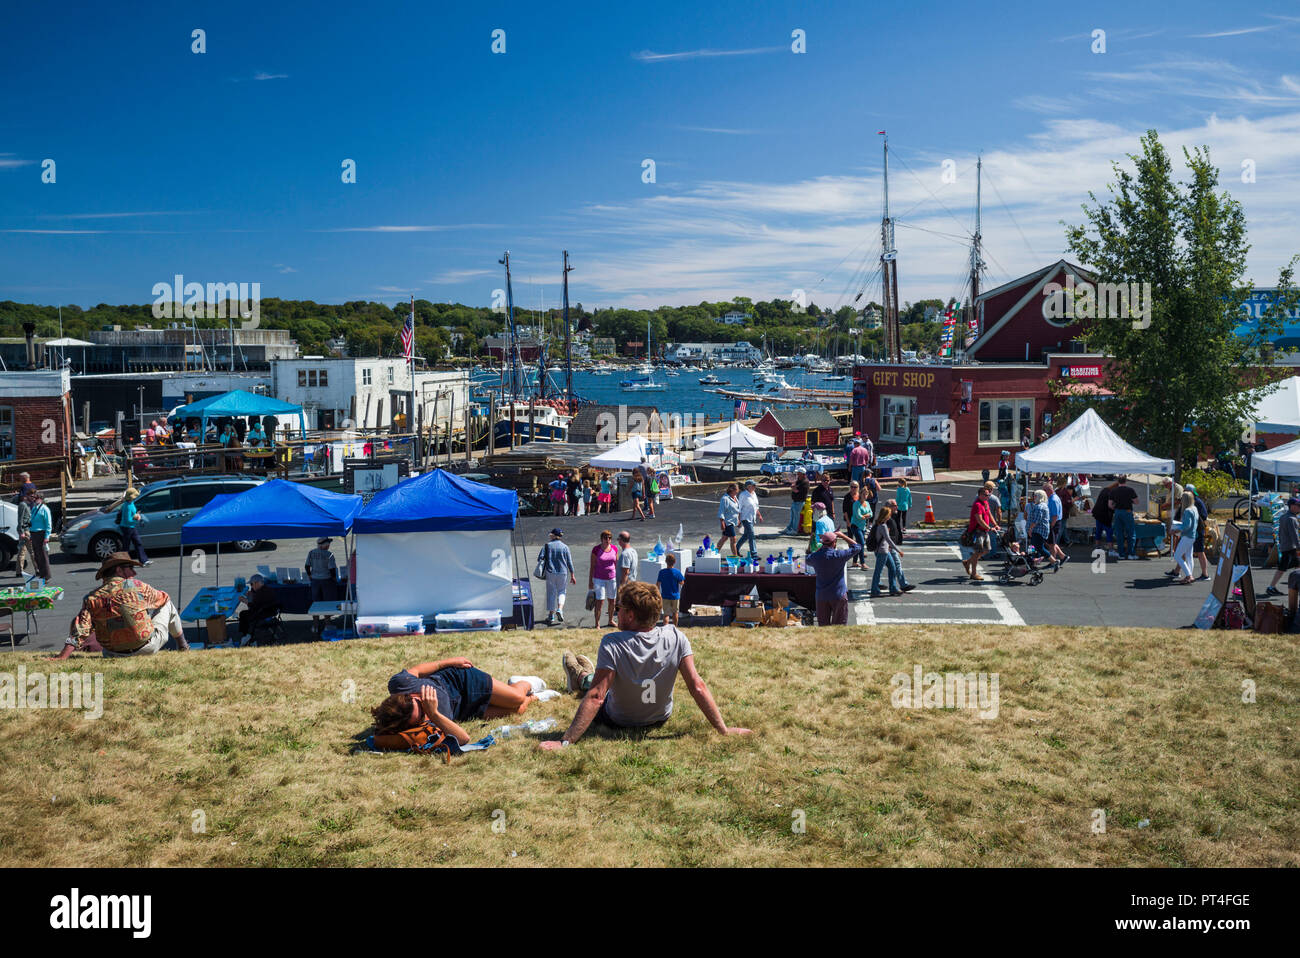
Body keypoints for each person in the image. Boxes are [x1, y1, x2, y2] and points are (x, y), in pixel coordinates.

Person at [542, 581, 750, 749]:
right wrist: (724, 729)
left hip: (618, 720)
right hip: (659, 718)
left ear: (630, 615)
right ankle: (584, 673)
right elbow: (697, 686)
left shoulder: (612, 643)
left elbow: (597, 696)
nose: (616, 612)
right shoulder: (676, 636)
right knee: (605, 680)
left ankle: (580, 676)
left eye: (619, 608)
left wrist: (564, 742)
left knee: (594, 685)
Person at [373, 658, 545, 748]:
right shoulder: (426, 723)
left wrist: (449, 662)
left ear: (409, 696)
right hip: (463, 710)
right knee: (518, 710)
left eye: (421, 703)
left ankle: (526, 682)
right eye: (421, 718)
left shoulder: (400, 683)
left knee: (516, 698)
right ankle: (534, 697)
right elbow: (464, 739)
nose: (426, 707)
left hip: (460, 681)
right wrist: (433, 713)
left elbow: (417, 670)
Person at [52, 552, 188, 659]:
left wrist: (63, 656)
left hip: (112, 653)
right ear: (119, 570)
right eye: (130, 569)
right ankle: (183, 647)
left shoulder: (91, 598)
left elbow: (80, 629)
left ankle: (183, 647)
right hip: (146, 648)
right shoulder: (138, 586)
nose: (134, 573)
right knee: (167, 603)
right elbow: (163, 598)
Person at [806, 530, 863, 624]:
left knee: (823, 628)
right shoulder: (839, 555)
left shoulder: (815, 557)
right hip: (838, 594)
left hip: (822, 595)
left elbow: (807, 558)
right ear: (834, 543)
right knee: (839, 626)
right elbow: (857, 547)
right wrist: (843, 535)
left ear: (822, 543)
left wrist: (820, 548)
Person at [868, 505, 911, 596]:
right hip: (882, 552)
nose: (890, 516)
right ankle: (874, 590)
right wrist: (899, 550)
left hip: (883, 551)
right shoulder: (883, 526)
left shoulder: (878, 524)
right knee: (878, 571)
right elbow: (889, 540)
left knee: (892, 568)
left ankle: (893, 588)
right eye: (889, 515)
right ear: (885, 515)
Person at [538, 528, 577, 626]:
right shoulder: (565, 547)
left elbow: (540, 558)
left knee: (551, 592)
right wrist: (572, 574)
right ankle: (560, 609)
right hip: (563, 572)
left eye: (551, 534)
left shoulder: (547, 546)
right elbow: (569, 562)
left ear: (554, 535)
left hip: (550, 572)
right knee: (561, 591)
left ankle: (551, 615)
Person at [964, 486, 1000, 581]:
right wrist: (989, 528)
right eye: (985, 495)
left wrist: (995, 524)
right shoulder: (977, 505)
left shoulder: (985, 503)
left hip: (984, 531)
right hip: (977, 531)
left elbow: (989, 514)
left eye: (989, 495)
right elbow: (979, 519)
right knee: (978, 552)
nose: (988, 496)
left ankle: (968, 562)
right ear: (980, 495)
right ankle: (974, 574)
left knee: (987, 550)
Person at [1266, 496, 1300, 595]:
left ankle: (1272, 587)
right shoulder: (1291, 519)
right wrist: (1298, 547)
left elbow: (1280, 533)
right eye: (1298, 505)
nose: (1299, 507)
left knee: (1286, 568)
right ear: (1292, 506)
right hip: (1290, 547)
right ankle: (1271, 587)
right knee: (1282, 569)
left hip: (1285, 546)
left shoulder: (1284, 517)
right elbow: (1294, 535)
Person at [305, 536, 339, 633]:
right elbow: (332, 569)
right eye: (328, 543)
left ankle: (315, 625)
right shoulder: (329, 554)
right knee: (326, 603)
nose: (329, 545)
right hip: (326, 580)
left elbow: (307, 566)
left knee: (315, 603)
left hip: (315, 580)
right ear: (325, 545)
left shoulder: (311, 552)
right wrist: (334, 578)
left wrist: (310, 575)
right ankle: (327, 624)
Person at [234, 574, 279, 646]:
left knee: (243, 614)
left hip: (264, 613)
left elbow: (253, 607)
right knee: (244, 613)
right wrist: (251, 594)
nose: (251, 586)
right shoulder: (265, 589)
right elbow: (257, 601)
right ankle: (246, 635)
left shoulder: (260, 593)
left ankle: (246, 635)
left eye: (252, 584)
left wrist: (245, 600)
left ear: (257, 583)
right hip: (271, 611)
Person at [589, 530, 619, 628]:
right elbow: (592, 566)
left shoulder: (614, 548)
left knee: (612, 600)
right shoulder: (596, 549)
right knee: (600, 601)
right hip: (599, 579)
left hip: (612, 578)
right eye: (605, 538)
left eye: (609, 538)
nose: (607, 540)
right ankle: (597, 623)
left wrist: (618, 578)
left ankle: (610, 620)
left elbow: (616, 564)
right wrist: (590, 581)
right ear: (601, 539)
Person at [116, 487, 153, 567]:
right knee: (126, 545)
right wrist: (137, 518)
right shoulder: (127, 506)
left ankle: (144, 561)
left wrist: (136, 515)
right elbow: (128, 519)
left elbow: (131, 515)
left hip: (130, 527)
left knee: (137, 543)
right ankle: (124, 562)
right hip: (127, 527)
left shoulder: (130, 503)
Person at [1109, 475, 1140, 559]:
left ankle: (1121, 554)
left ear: (1118, 481)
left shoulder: (1113, 491)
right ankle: (1131, 554)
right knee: (1131, 533)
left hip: (1118, 512)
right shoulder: (1130, 490)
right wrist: (1130, 501)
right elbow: (1136, 502)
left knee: (1119, 534)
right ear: (1126, 481)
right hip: (1127, 512)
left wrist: (1116, 506)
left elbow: (1110, 505)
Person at [1171, 491, 1199, 584]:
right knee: (1188, 556)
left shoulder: (1187, 510)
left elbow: (1187, 525)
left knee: (1177, 555)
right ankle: (1189, 575)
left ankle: (1188, 575)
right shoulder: (1194, 508)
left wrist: (1176, 530)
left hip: (1187, 536)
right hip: (1192, 535)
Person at [1026, 489, 1057, 571]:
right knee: (1033, 547)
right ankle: (1033, 563)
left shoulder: (1039, 506)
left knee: (1039, 548)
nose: (1034, 497)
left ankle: (1054, 561)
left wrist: (1030, 529)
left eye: (1035, 495)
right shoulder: (1042, 505)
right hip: (1039, 530)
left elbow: (1036, 520)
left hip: (1038, 530)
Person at [27, 492, 53, 581]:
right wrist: (31, 535)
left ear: (41, 499)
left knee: (43, 556)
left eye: (36, 498)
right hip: (34, 534)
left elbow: (48, 524)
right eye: (34, 498)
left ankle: (47, 576)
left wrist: (47, 537)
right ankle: (42, 574)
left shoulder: (45, 509)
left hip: (41, 534)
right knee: (37, 556)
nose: (34, 499)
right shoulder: (34, 508)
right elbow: (32, 522)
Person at [847, 481, 872, 570]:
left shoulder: (867, 503)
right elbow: (858, 516)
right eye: (864, 494)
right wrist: (866, 515)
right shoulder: (856, 504)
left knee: (858, 544)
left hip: (863, 526)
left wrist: (865, 516)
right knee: (861, 543)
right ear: (860, 494)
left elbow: (871, 514)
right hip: (855, 526)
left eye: (866, 495)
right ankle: (862, 563)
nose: (865, 496)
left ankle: (854, 562)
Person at [1042, 482, 1068, 565]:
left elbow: (1055, 515)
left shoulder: (1053, 500)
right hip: (1053, 522)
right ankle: (1063, 556)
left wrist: (1051, 526)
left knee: (1052, 544)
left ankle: (1053, 561)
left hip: (1053, 523)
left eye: (1044, 490)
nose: (1043, 492)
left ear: (1049, 490)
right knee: (1051, 543)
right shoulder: (1052, 497)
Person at [737, 479, 762, 561]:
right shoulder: (743, 495)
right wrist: (739, 519)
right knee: (751, 535)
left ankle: (735, 549)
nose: (755, 487)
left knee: (746, 535)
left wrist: (759, 515)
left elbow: (756, 506)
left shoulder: (754, 494)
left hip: (752, 517)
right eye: (753, 485)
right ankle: (754, 554)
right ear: (748, 487)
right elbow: (739, 508)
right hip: (745, 518)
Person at [656, 552, 684, 625]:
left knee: (666, 614)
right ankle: (675, 627)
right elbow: (682, 583)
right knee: (675, 613)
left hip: (665, 596)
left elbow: (658, 584)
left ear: (666, 561)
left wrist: (657, 594)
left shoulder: (662, 572)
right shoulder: (677, 572)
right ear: (674, 562)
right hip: (675, 596)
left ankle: (665, 629)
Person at [780, 468, 810, 535]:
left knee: (796, 517)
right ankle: (789, 528)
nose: (797, 474)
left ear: (802, 474)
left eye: (798, 473)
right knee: (792, 516)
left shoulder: (805, 482)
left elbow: (796, 490)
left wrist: (793, 486)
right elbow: (795, 487)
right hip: (796, 501)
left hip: (800, 501)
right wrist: (793, 486)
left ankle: (794, 530)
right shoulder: (800, 480)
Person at [1092, 479, 1116, 554]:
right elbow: (1110, 506)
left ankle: (1097, 547)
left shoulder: (1105, 490)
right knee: (1109, 532)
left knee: (1098, 531)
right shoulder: (1111, 494)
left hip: (1097, 513)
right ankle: (1111, 550)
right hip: (1105, 515)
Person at [717, 483, 740, 556]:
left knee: (724, 538)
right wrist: (722, 523)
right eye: (736, 490)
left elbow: (737, 509)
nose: (738, 491)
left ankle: (715, 553)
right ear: (732, 490)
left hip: (733, 521)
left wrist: (738, 519)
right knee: (733, 539)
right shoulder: (725, 499)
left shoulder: (735, 497)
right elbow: (721, 511)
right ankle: (735, 556)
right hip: (727, 522)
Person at [12, 492, 31, 577]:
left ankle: (19, 571)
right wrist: (21, 532)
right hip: (25, 531)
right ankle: (38, 570)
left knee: (22, 552)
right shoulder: (23, 505)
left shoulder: (26, 504)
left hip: (25, 530)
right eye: (29, 495)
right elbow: (20, 519)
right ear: (25, 496)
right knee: (30, 551)